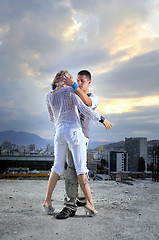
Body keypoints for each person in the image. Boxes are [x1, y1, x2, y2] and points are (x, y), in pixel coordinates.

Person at [43, 70, 112, 217]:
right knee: (77, 170)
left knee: (63, 168)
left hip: (64, 133)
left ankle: (60, 200)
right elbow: (84, 109)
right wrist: (102, 119)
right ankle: (78, 204)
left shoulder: (91, 96)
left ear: (89, 82)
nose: (78, 83)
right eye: (77, 80)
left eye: (82, 81)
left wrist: (58, 88)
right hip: (74, 134)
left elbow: (86, 103)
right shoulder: (71, 92)